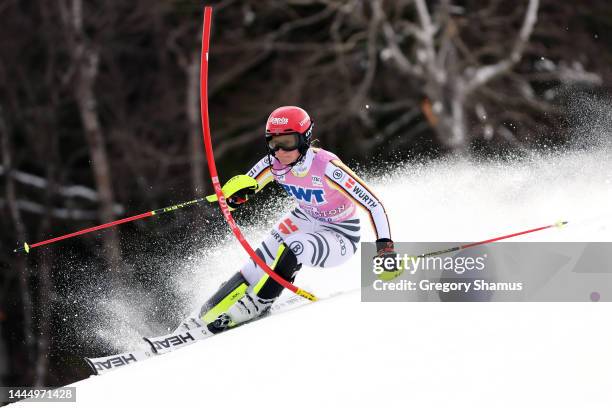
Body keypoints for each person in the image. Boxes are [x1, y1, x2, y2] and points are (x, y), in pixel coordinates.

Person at [196, 106, 399, 333]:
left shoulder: (327, 167)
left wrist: (385, 249)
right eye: (274, 142)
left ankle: (259, 302)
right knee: (259, 261)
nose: (280, 151)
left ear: (305, 139)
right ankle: (204, 313)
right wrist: (232, 198)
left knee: (295, 246)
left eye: (288, 142)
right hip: (304, 217)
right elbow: (241, 192)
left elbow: (373, 204)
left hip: (340, 232)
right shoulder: (273, 164)